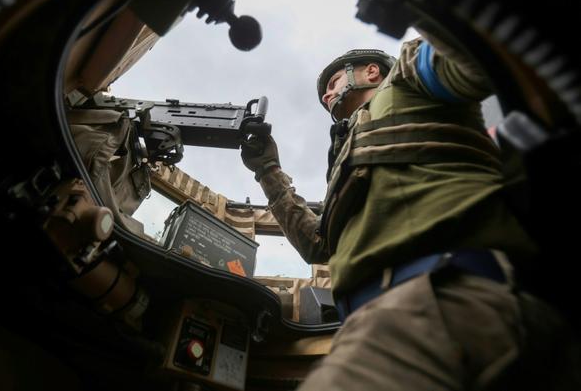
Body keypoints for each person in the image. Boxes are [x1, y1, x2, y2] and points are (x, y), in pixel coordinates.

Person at [240, 33, 580, 390]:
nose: (326, 95)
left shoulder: (406, 78)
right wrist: (268, 170)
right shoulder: (346, 160)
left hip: (439, 300)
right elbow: (319, 247)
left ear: (372, 72)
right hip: (397, 316)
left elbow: (474, 56)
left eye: (333, 82)